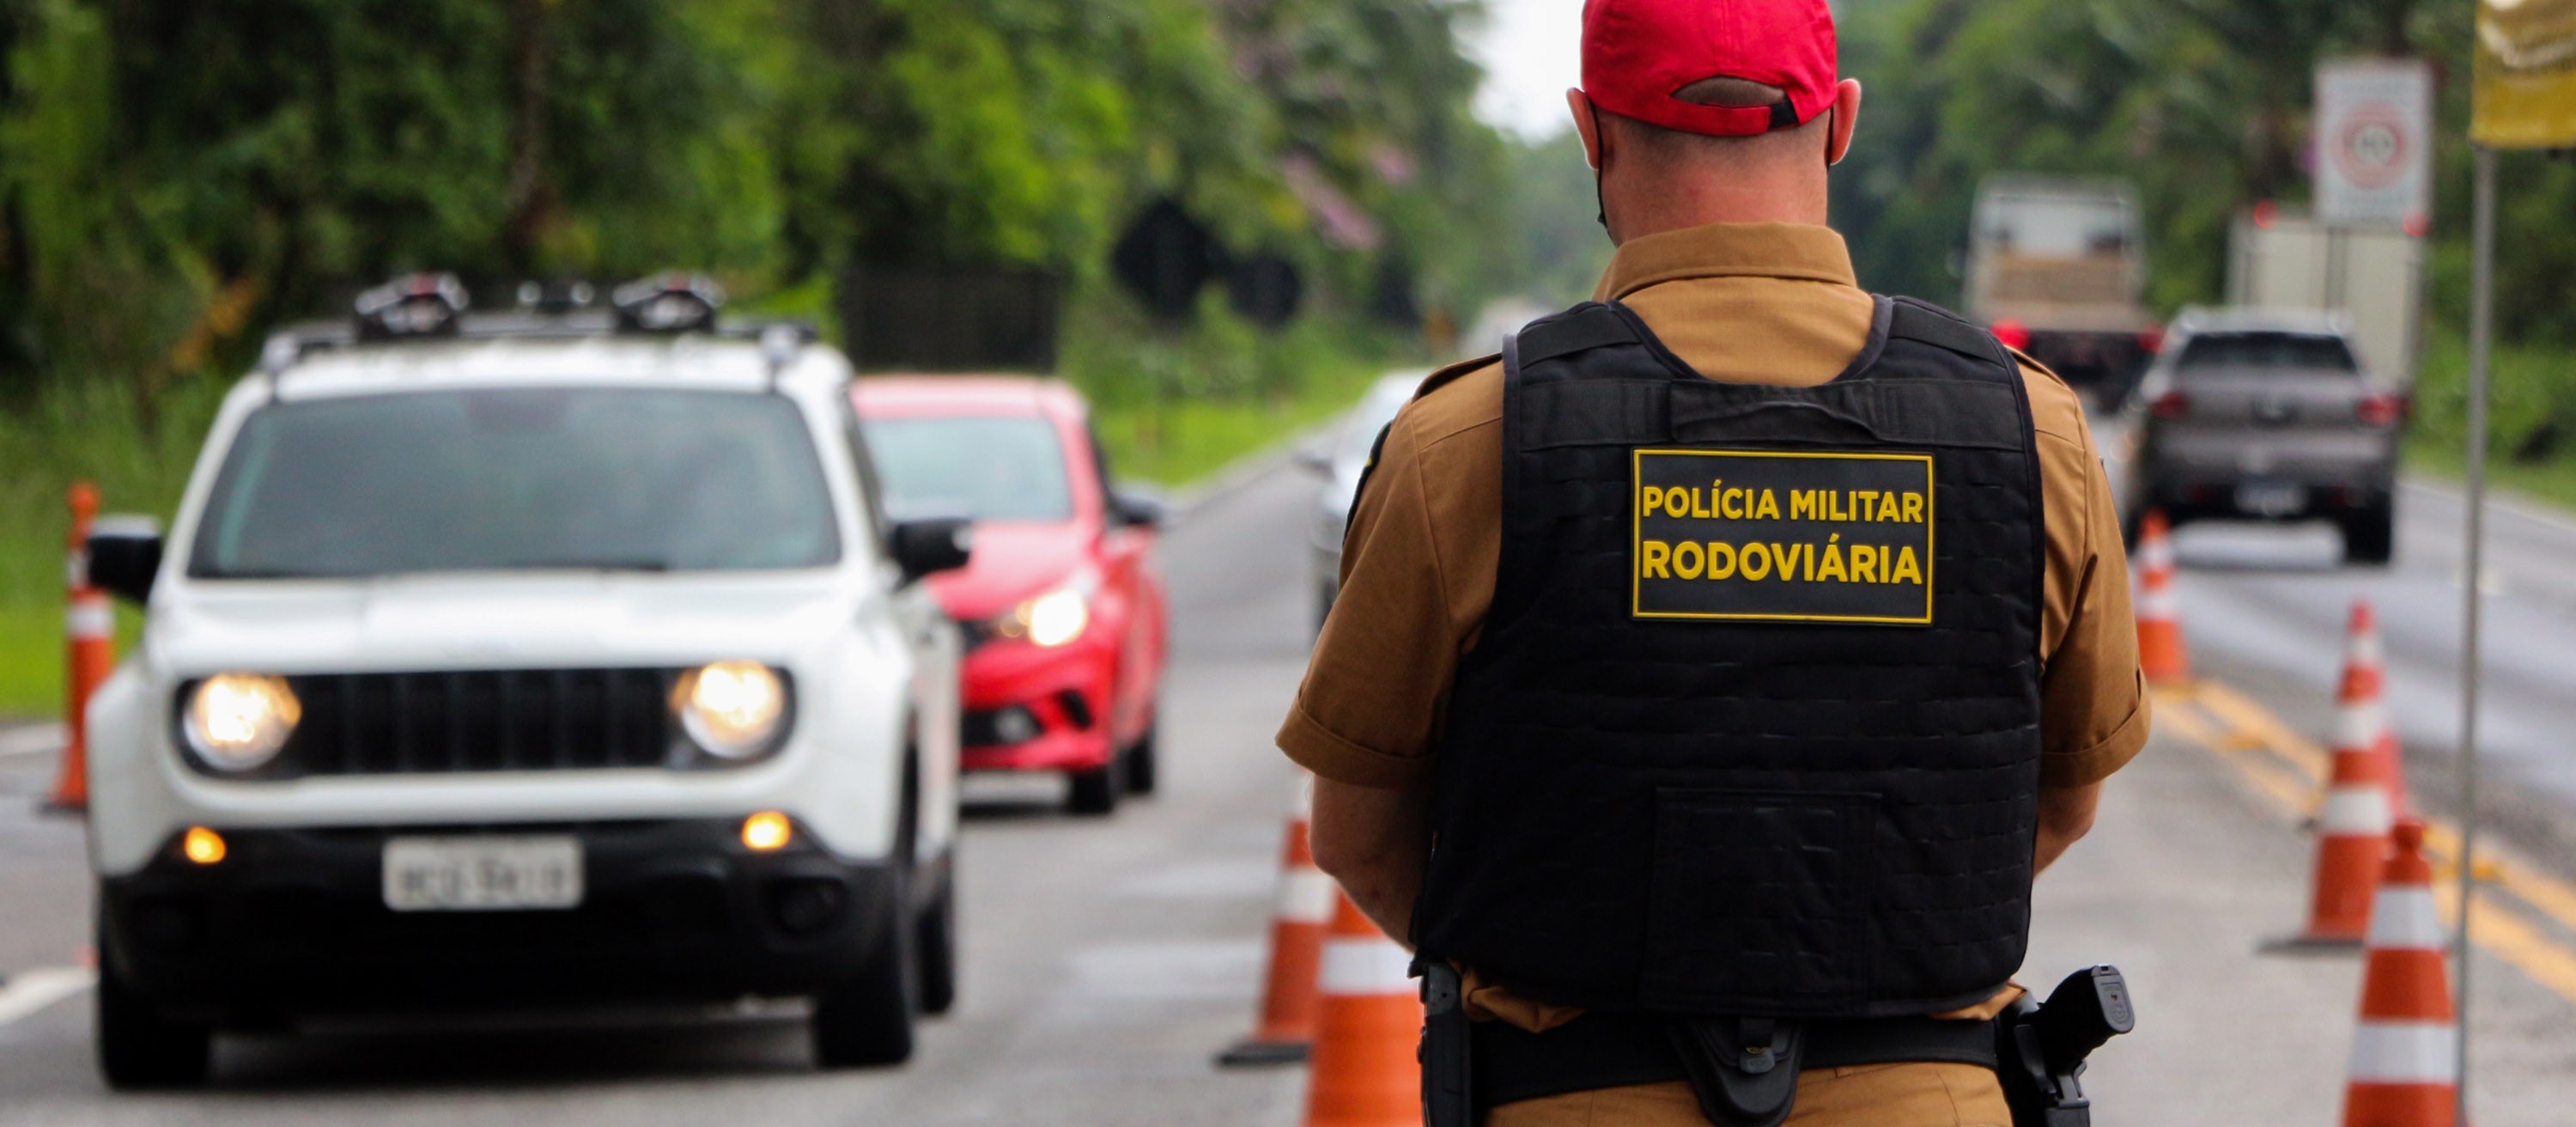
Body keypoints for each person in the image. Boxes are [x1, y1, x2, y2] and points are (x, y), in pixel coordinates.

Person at [1274, 0, 2149, 1123]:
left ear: (1592, 132)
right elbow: (2064, 798)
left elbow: (1359, 835)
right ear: (1840, 123)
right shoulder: (2031, 434)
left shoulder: (1470, 442)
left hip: (1571, 1093)